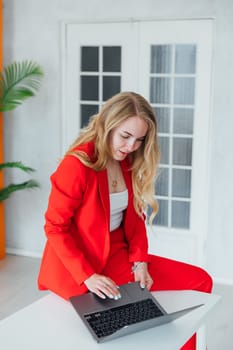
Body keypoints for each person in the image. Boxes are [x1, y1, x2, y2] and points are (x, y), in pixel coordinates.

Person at [38, 91, 212, 350]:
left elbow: (135, 219)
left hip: (118, 257)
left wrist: (140, 261)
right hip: (81, 266)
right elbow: (54, 227)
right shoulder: (77, 165)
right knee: (121, 324)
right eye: (125, 136)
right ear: (108, 125)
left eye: (139, 140)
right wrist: (88, 276)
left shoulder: (128, 162)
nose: (130, 146)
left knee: (200, 280)